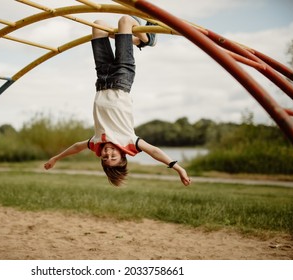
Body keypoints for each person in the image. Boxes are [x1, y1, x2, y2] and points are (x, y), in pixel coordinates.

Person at [44, 16, 191, 187]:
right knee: (125, 21)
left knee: (98, 24)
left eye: (105, 157)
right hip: (122, 77)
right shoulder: (129, 141)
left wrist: (55, 158)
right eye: (113, 156)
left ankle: (134, 40)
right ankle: (146, 39)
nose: (108, 153)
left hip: (102, 77)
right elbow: (154, 151)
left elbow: (77, 147)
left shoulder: (97, 142)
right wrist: (177, 168)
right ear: (123, 155)